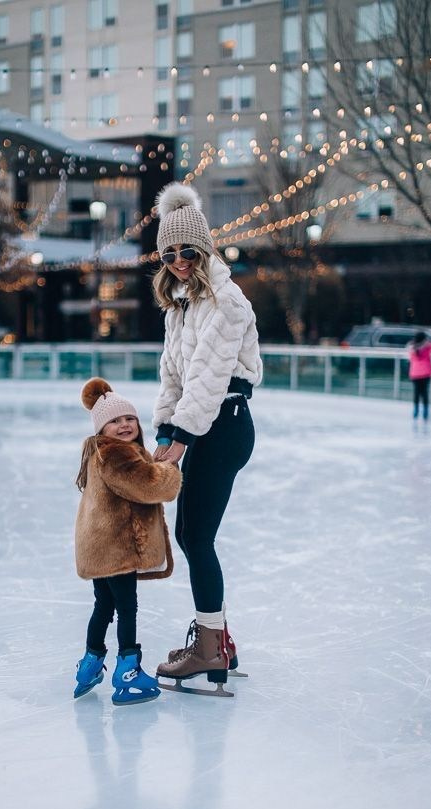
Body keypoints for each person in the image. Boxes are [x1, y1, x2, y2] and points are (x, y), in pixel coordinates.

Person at [150, 182, 262, 696]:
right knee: (192, 534)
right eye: (168, 252)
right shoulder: (181, 305)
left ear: (205, 248)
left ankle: (211, 647)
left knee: (195, 537)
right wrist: (162, 431)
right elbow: (173, 377)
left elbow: (208, 379)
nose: (178, 261)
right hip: (205, 427)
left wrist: (180, 438)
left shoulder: (226, 301)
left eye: (187, 251)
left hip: (225, 425)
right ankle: (219, 639)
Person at [74, 377, 182, 705]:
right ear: (100, 429)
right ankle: (128, 670)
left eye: (129, 418)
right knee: (126, 607)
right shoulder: (116, 455)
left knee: (104, 605)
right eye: (114, 421)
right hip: (116, 547)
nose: (124, 425)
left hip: (99, 546)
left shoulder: (104, 452)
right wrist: (170, 467)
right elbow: (151, 486)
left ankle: (90, 665)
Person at [408, 332, 431, 421]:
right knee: (424, 393)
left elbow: (410, 358)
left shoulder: (412, 347)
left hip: (415, 373)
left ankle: (415, 411)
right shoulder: (428, 346)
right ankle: (425, 412)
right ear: (424, 339)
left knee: (416, 392)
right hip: (425, 373)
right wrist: (429, 343)